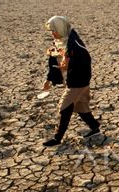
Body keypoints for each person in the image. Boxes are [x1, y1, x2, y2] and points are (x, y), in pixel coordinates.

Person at [42, 16, 100, 147]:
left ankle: (57, 138)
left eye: (53, 30)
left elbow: (85, 59)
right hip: (77, 80)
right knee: (81, 106)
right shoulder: (62, 41)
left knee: (64, 107)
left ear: (60, 28)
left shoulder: (74, 43)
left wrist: (68, 65)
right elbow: (53, 59)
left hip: (78, 81)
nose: (52, 34)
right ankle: (95, 127)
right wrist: (49, 79)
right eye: (51, 31)